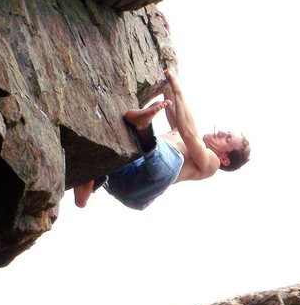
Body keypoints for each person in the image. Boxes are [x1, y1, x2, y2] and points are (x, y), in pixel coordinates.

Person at [74, 69, 250, 209]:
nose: (220, 133)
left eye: (227, 139)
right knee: (125, 140)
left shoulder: (212, 162)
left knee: (172, 162)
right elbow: (171, 99)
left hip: (142, 187)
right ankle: (88, 184)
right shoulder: (179, 131)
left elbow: (189, 133)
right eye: (226, 132)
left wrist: (178, 90)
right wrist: (166, 49)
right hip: (121, 175)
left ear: (225, 159)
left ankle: (143, 127)